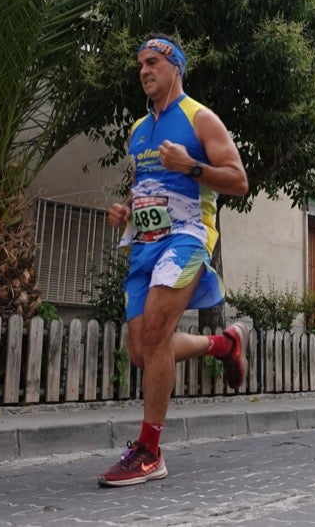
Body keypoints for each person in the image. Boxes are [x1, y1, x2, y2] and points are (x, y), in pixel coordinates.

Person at [99, 36, 251, 487]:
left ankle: (149, 450)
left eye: (152, 62)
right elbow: (143, 182)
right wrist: (125, 207)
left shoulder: (200, 118)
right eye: (140, 65)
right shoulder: (138, 130)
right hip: (144, 243)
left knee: (156, 333)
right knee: (143, 352)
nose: (144, 71)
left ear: (174, 66)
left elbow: (239, 180)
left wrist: (192, 166)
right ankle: (223, 344)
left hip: (185, 237)